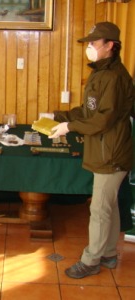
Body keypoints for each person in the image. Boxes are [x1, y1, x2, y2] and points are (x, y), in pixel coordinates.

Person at [49, 22, 135, 279]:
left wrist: (69, 126)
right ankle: (108, 254)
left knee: (99, 209)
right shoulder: (102, 73)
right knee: (107, 207)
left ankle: (91, 260)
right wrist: (59, 116)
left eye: (94, 43)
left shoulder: (113, 77)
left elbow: (102, 120)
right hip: (105, 149)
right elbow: (90, 112)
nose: (89, 48)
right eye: (88, 43)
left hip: (111, 152)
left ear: (110, 45)